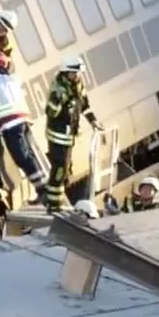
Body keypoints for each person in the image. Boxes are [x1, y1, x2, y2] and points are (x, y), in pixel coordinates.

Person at [42, 56, 102, 213]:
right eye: (74, 73)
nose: (77, 76)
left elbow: (85, 106)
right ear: (65, 72)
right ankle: (54, 205)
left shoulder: (78, 86)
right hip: (57, 135)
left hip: (70, 136)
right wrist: (61, 102)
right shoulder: (58, 89)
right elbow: (50, 112)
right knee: (59, 170)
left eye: (78, 73)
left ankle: (57, 201)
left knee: (65, 170)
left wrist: (93, 121)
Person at [0, 51, 46, 193]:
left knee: (22, 158)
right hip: (23, 121)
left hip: (9, 125)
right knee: (29, 154)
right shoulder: (11, 79)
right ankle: (42, 184)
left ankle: (42, 189)